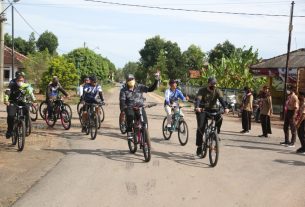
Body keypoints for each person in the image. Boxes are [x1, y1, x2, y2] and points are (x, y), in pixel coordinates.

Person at [194, 77, 229, 157]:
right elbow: (198, 99)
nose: (214, 85)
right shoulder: (202, 90)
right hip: (202, 110)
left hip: (213, 109)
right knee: (201, 127)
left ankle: (216, 134)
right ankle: (199, 146)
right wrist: (197, 107)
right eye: (212, 83)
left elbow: (221, 100)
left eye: (215, 84)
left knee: (220, 118)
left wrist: (226, 108)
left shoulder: (217, 91)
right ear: (208, 83)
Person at [120, 73, 160, 139]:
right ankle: (129, 131)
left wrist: (156, 80)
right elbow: (122, 101)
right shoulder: (124, 90)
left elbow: (150, 89)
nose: (130, 81)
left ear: (134, 79)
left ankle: (144, 137)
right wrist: (124, 109)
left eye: (132, 79)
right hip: (130, 107)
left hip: (140, 107)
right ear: (126, 81)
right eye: (129, 80)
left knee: (145, 123)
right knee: (130, 116)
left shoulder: (140, 87)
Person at [4, 72, 36, 138]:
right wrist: (6, 100)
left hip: (22, 102)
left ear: (24, 80)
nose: (20, 82)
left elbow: (30, 93)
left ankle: (26, 128)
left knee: (27, 112)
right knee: (11, 115)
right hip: (13, 102)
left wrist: (34, 101)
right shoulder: (12, 84)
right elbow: (7, 92)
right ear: (16, 80)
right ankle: (9, 130)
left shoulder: (26, 85)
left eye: (21, 80)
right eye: (19, 80)